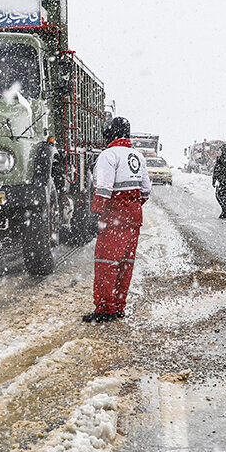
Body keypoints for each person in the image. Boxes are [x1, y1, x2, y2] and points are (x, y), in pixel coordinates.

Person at [84, 116, 152, 323]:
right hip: (134, 220)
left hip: (114, 220)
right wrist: (131, 207)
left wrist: (96, 214)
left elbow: (103, 189)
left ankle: (105, 309)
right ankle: (119, 306)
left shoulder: (108, 155)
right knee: (125, 264)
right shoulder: (137, 157)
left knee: (106, 264)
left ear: (110, 134)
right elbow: (146, 190)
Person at [211, 145, 226, 218]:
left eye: (221, 150)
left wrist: (214, 179)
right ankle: (224, 211)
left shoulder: (221, 158)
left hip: (221, 179)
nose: (220, 151)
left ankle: (225, 209)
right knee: (225, 195)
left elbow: (216, 170)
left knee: (218, 195)